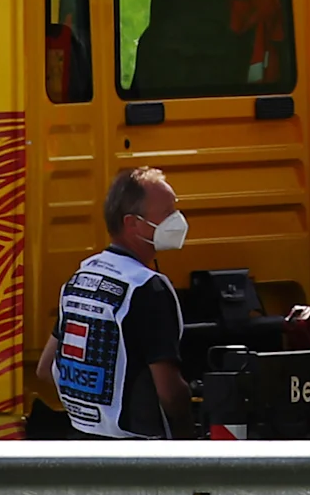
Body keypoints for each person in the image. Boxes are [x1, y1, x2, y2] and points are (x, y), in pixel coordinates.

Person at [39, 165, 194, 439]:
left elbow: (45, 369)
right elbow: (169, 393)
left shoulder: (80, 278)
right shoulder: (147, 288)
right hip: (136, 457)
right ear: (132, 223)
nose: (178, 220)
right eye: (168, 213)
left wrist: (89, 411)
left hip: (83, 444)